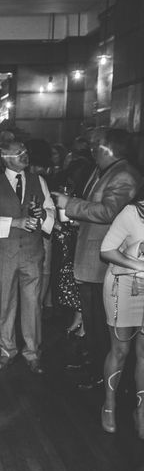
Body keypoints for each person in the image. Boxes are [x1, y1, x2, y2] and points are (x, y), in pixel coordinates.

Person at [52, 128, 141, 389]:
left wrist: (71, 204)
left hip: (104, 263)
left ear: (108, 148)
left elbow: (110, 212)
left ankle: (103, 375)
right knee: (93, 320)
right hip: (91, 259)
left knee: (104, 323)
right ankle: (94, 364)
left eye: (96, 145)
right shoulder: (102, 171)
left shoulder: (124, 175)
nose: (91, 148)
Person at [0, 139, 55, 373]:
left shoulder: (38, 180)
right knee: (5, 302)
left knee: (33, 304)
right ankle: (6, 350)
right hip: (3, 252)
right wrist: (15, 222)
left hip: (32, 252)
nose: (24, 155)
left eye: (25, 151)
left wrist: (43, 215)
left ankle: (33, 353)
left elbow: (51, 211)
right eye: (18, 153)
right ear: (4, 159)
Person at [98, 187, 144, 435]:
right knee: (121, 349)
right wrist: (138, 263)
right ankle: (109, 404)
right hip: (124, 285)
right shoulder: (132, 212)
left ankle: (142, 409)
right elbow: (106, 250)